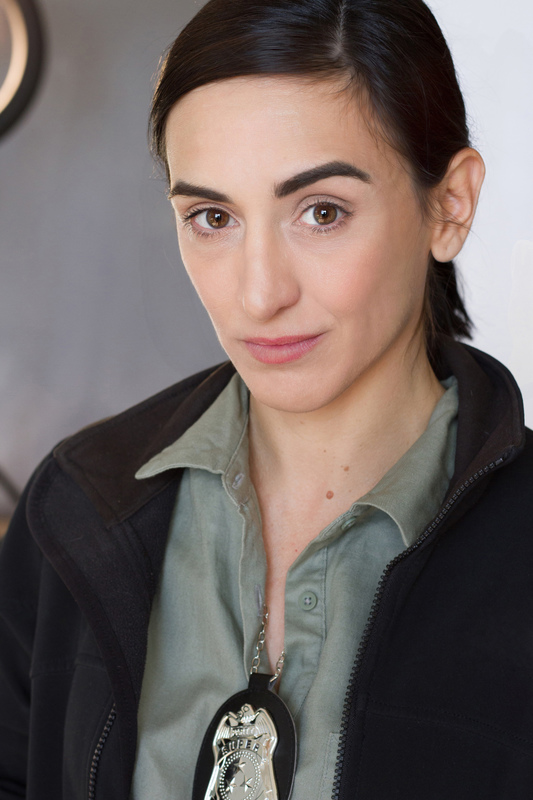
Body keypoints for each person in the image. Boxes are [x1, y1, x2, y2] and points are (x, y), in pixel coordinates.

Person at [1, 0, 532, 798]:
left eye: (321, 213)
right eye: (212, 217)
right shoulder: (77, 506)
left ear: (448, 205)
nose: (258, 293)